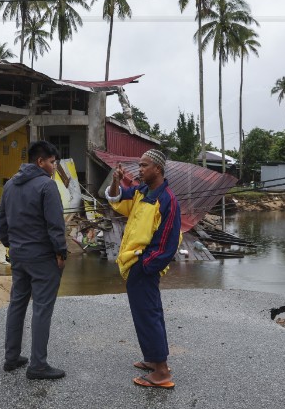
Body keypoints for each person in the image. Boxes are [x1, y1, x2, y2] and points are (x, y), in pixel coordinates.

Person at [105, 148, 181, 390]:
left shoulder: (167, 199)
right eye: (139, 165)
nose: (140, 169)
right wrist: (115, 182)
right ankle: (152, 358)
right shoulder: (142, 191)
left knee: (148, 315)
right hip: (134, 264)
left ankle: (161, 372)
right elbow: (117, 199)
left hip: (143, 265)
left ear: (157, 169)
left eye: (144, 165)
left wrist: (146, 265)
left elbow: (168, 244)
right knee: (147, 313)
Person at [0, 140, 68, 380]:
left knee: (17, 304)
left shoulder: (10, 186)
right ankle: (38, 365)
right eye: (51, 162)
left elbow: (2, 224)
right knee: (42, 308)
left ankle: (11, 357)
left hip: (19, 256)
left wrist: (12, 245)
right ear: (40, 162)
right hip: (42, 258)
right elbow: (55, 225)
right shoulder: (47, 186)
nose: (53, 167)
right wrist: (61, 253)